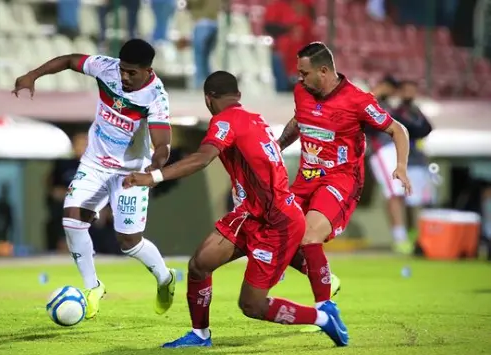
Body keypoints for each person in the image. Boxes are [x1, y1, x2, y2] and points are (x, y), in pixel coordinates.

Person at [123, 71, 349, 349]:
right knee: (199, 265)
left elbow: (202, 158)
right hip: (250, 215)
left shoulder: (224, 121)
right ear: (238, 96)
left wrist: (153, 177)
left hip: (276, 223)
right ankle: (200, 335)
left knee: (251, 305)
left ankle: (322, 318)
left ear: (208, 100)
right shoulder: (254, 119)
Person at [11, 39, 177, 319]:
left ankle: (165, 278)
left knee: (130, 243)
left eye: (131, 73)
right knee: (72, 221)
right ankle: (93, 287)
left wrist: (151, 170)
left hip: (130, 172)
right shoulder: (106, 68)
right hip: (95, 163)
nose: (124, 76)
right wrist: (32, 75)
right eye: (123, 69)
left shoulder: (156, 97)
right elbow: (68, 60)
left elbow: (163, 146)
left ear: (148, 71)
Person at [276, 42, 411, 330]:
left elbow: (398, 129)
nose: (299, 78)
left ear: (323, 71)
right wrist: (275, 148)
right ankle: (327, 278)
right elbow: (300, 121)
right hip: (305, 179)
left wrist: (400, 166)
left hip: (340, 180)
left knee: (310, 235)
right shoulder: (302, 91)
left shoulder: (357, 100)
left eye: (304, 73)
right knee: (272, 232)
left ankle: (325, 309)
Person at [368, 79, 434, 254]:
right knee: (394, 193)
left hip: (397, 152)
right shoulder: (370, 103)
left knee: (406, 196)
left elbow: (423, 128)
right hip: (381, 150)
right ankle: (400, 237)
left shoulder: (396, 108)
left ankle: (410, 236)